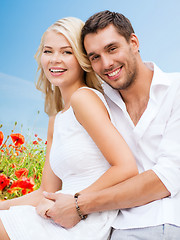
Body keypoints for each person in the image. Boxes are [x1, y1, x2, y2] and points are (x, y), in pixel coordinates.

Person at [42, 10, 180, 240]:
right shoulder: (97, 101)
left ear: (133, 42)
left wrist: (79, 204)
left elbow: (168, 177)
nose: (106, 63)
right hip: (114, 227)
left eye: (112, 48)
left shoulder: (176, 90)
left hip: (169, 220)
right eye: (94, 57)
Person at [0, 16, 138, 240]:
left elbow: (126, 167)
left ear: (82, 58)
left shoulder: (84, 99)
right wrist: (3, 204)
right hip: (59, 211)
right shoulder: (56, 118)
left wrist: (75, 201)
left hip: (84, 218)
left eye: (66, 52)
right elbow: (47, 191)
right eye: (48, 51)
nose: (55, 60)